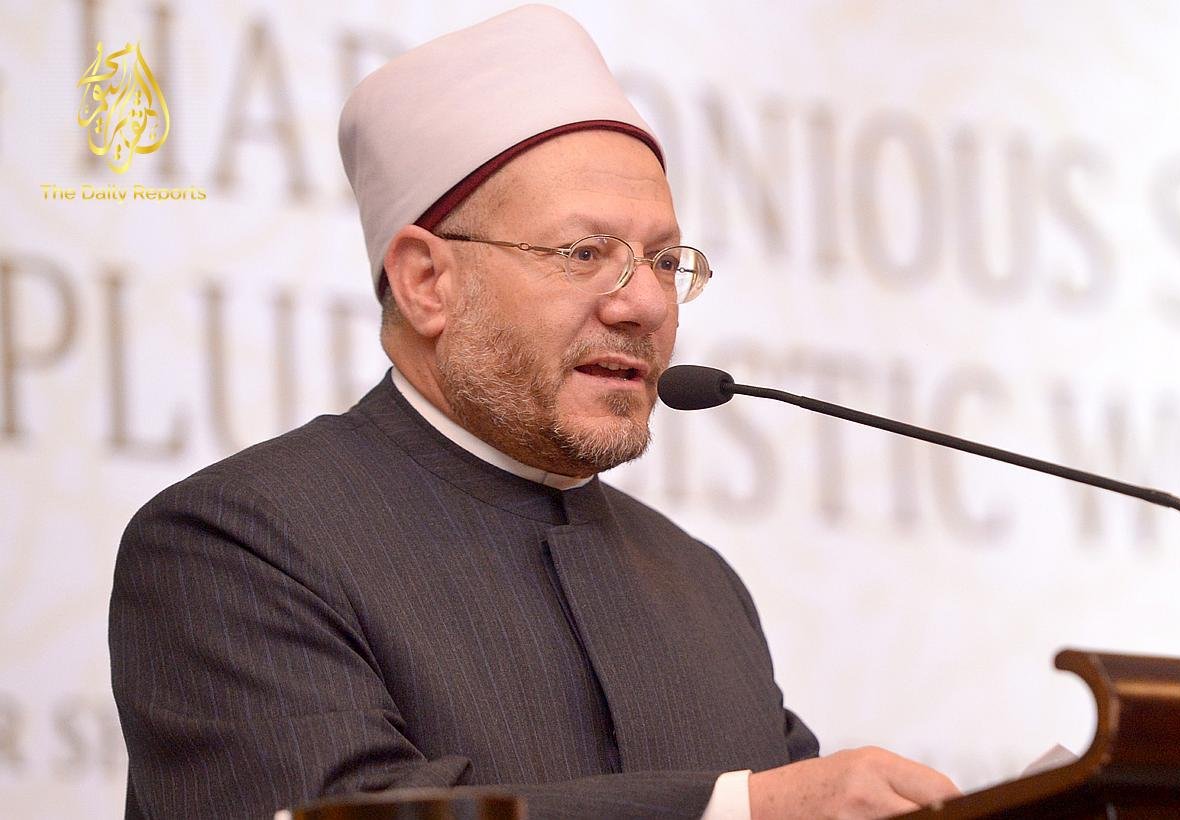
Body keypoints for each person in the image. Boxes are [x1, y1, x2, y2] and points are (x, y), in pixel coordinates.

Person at [109, 6, 961, 819]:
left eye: (665, 261)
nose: (645, 305)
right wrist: (739, 810)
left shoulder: (699, 584)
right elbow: (339, 818)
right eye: (585, 253)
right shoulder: (237, 543)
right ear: (427, 282)